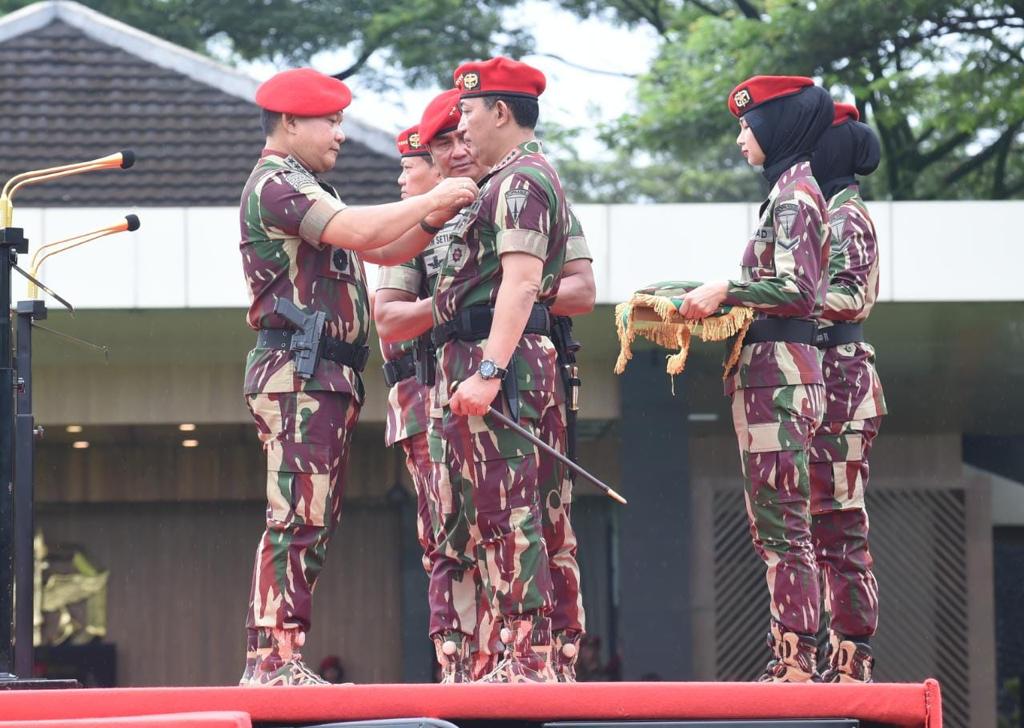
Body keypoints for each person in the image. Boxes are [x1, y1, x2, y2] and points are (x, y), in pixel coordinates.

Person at [237, 67, 477, 686]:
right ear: (290, 122)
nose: (340, 134)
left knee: (312, 519)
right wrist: (436, 198)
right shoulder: (277, 184)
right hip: (298, 374)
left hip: (321, 375)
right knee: (297, 518)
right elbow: (363, 231)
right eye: (331, 121)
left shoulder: (309, 185)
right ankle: (272, 661)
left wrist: (430, 219)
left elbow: (383, 250)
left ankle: (281, 655)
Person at [677, 75, 834, 682]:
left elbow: (797, 290)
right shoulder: (786, 193)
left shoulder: (794, 198)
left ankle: (796, 664)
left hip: (781, 378)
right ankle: (794, 658)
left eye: (748, 125)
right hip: (775, 375)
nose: (741, 137)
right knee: (777, 524)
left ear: (776, 126)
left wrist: (727, 289)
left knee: (783, 526)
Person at [427, 56, 572, 683]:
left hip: (502, 367)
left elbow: (520, 283)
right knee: (496, 510)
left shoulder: (519, 182)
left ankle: (527, 658)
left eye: (468, 111)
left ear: (501, 112)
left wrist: (488, 369)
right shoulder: (507, 180)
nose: (461, 126)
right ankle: (519, 655)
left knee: (509, 513)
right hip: (493, 362)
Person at [809, 102, 886, 683]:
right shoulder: (825, 212)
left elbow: (851, 297)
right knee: (819, 523)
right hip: (824, 378)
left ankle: (852, 658)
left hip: (843, 381)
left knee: (839, 524)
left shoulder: (846, 217)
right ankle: (829, 655)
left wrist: (779, 296)